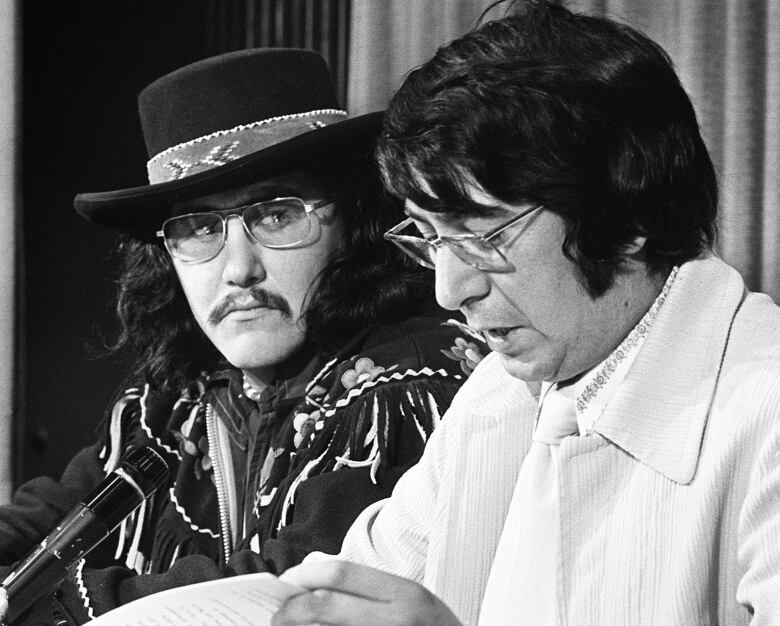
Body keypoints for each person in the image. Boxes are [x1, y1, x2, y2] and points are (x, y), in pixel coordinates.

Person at [272, 3, 780, 625]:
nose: (449, 291)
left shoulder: (766, 409)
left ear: (627, 220)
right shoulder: (495, 397)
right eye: (431, 236)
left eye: (482, 234)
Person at [0, 49, 486, 624]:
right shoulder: (173, 400)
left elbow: (282, 593)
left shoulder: (406, 382)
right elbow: (49, 514)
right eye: (199, 228)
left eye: (277, 215)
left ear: (354, 221)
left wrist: (50, 602)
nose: (238, 269)